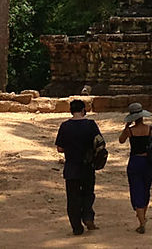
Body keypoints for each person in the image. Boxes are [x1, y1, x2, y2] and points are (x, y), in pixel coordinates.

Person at [54, 99, 102, 235]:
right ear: (83, 110)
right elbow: (100, 143)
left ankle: (76, 227)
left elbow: (60, 148)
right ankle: (87, 216)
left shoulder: (65, 126)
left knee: (73, 198)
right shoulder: (91, 125)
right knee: (88, 194)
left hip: (71, 168)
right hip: (87, 166)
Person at [118, 102, 152, 234]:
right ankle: (142, 217)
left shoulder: (130, 131)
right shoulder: (151, 130)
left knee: (136, 190)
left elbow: (121, 140)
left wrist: (126, 126)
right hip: (148, 162)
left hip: (135, 162)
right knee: (145, 190)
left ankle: (142, 221)